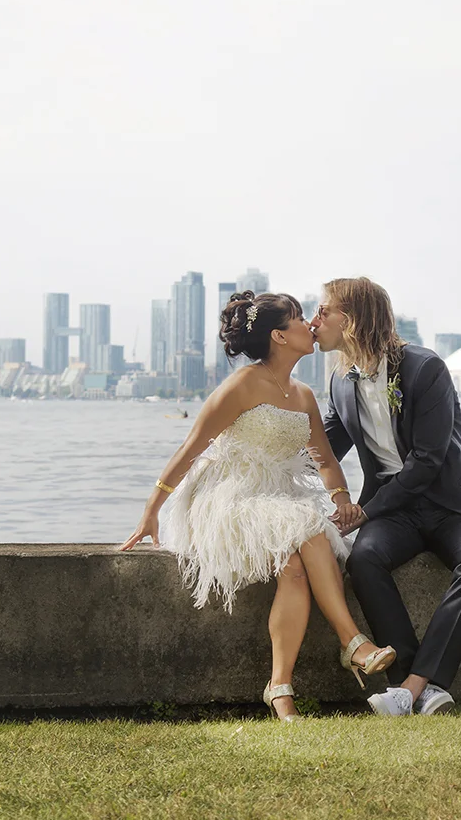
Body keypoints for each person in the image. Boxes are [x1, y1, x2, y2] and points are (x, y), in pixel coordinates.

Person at [121, 290, 393, 722]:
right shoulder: (242, 384)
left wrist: (341, 499)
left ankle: (279, 690)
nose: (310, 324)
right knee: (306, 525)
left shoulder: (303, 394)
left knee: (295, 567)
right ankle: (354, 643)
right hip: (228, 496)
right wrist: (153, 508)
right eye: (300, 318)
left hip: (279, 497)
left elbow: (323, 459)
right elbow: (192, 447)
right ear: (279, 337)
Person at [311, 277, 461, 717]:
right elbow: (324, 449)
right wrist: (259, 466)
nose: (315, 319)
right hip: (394, 510)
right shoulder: (340, 382)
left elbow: (428, 460)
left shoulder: (425, 368)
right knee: (363, 560)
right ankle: (410, 687)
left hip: (450, 504)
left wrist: (365, 511)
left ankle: (413, 684)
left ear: (353, 319)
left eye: (324, 311)